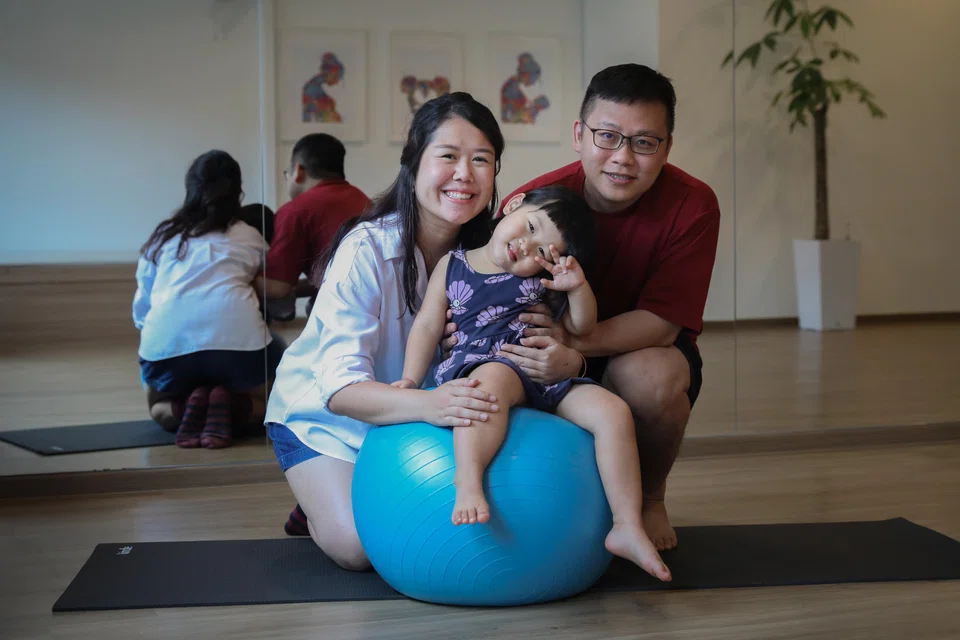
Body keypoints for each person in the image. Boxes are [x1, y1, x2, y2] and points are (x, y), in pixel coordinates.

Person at [468, 64, 721, 551]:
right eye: (608, 136)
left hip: (632, 346)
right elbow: (482, 282)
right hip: (538, 345)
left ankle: (649, 497)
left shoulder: (694, 205)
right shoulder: (538, 202)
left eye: (645, 143)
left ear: (667, 147)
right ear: (579, 135)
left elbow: (664, 324)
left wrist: (574, 347)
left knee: (654, 378)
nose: (623, 158)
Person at [264, 92, 503, 570]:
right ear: (413, 163)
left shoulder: (492, 254)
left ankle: (333, 494)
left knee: (453, 521)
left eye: (481, 160)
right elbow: (339, 390)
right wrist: (433, 403)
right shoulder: (366, 249)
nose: (464, 174)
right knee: (358, 549)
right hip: (328, 420)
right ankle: (315, 504)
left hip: (417, 416)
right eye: (448, 157)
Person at [394, 185, 671, 582]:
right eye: (528, 227)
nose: (525, 247)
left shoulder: (543, 283)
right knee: (485, 385)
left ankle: (626, 524)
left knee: (613, 411)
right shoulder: (452, 265)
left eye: (541, 251)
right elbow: (426, 324)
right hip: (484, 365)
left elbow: (583, 326)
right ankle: (468, 479)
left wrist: (576, 287)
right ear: (512, 206)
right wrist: (410, 376)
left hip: (544, 374)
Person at [134, 150, 284, 449]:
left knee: (157, 409)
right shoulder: (250, 236)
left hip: (168, 348)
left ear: (189, 189)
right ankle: (229, 404)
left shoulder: (163, 235)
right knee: (271, 407)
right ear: (238, 192)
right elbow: (272, 297)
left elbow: (143, 309)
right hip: (239, 348)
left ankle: (183, 406)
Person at [255, 133, 370, 321]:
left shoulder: (296, 211)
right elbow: (331, 277)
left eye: (287, 174)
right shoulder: (364, 201)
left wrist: (233, 276)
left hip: (343, 316)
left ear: (298, 171)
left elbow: (277, 287)